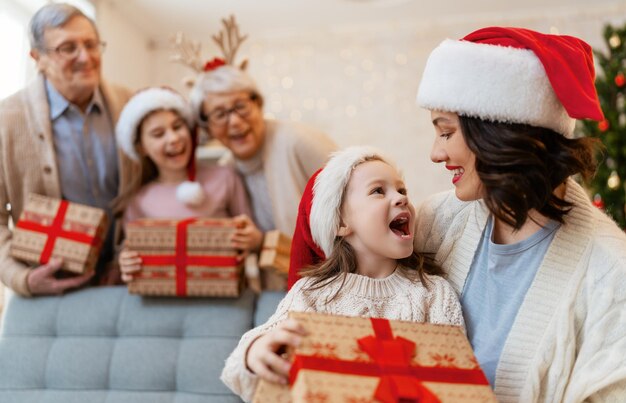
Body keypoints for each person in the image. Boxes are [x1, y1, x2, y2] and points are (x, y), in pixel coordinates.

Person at [412, 27, 626, 401]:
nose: (435, 153)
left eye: (446, 133)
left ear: (498, 134)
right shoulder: (435, 222)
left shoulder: (610, 274)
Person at [221, 146, 464, 401]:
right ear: (340, 223)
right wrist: (253, 352)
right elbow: (237, 370)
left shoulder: (434, 293)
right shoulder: (313, 294)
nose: (401, 198)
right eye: (378, 191)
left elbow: (459, 381)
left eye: (402, 190)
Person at [0, 3, 139, 296]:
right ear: (37, 58)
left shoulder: (132, 104)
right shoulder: (6, 121)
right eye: (67, 48)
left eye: (91, 44)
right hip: (51, 288)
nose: (85, 57)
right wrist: (21, 277)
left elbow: (152, 187)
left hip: (127, 282)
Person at [189, 38, 336, 239]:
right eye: (220, 114)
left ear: (258, 104)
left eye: (240, 106)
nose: (234, 122)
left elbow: (353, 203)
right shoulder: (227, 170)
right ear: (208, 127)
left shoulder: (299, 141)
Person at [113, 87, 259, 282]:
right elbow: (131, 256)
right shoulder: (139, 201)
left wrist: (255, 240)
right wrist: (126, 263)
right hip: (166, 303)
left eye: (177, 126)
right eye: (158, 134)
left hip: (226, 300)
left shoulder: (225, 178)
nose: (173, 139)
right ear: (141, 148)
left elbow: (251, 237)